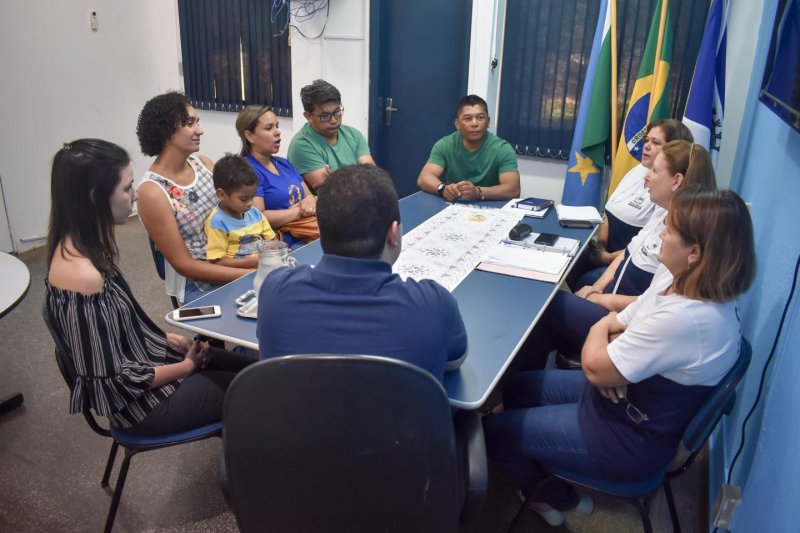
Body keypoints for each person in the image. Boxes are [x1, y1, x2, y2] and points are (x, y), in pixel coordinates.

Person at [484, 187, 756, 525]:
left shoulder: (690, 319)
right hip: (619, 401)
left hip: (627, 437)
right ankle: (536, 450)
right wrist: (609, 348)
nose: (661, 233)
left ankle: (556, 498)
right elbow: (624, 319)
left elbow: (595, 365)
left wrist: (603, 346)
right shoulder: (681, 281)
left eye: (670, 230)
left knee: (494, 434)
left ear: (694, 252)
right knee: (518, 388)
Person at [45, 139, 253, 435]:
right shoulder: (81, 276)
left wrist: (169, 339)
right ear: (95, 196)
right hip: (143, 406)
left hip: (151, 364)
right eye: (127, 188)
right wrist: (186, 367)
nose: (136, 195)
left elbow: (118, 329)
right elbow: (111, 384)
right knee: (257, 386)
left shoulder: (87, 250)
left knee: (253, 371)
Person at [256, 164, 467, 382]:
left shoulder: (274, 290)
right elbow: (454, 362)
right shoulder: (435, 304)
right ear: (393, 233)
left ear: (321, 228)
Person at [136, 91, 246, 304]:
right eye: (189, 123)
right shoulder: (152, 192)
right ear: (166, 130)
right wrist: (250, 274)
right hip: (199, 282)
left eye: (198, 122)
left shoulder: (204, 164)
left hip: (232, 259)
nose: (200, 130)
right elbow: (184, 265)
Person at [591, 119, 693, 268]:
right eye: (646, 140)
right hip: (604, 253)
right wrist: (600, 248)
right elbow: (609, 209)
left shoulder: (666, 194)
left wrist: (606, 259)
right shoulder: (638, 170)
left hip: (627, 262)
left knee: (583, 277)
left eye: (656, 143)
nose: (646, 146)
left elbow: (643, 245)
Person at [235, 105, 319, 247]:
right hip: (284, 244)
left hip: (310, 233)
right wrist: (300, 211)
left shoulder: (284, 163)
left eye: (277, 126)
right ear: (250, 136)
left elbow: (309, 196)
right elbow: (259, 216)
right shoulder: (247, 170)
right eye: (269, 128)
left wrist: (310, 200)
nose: (277, 132)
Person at [417, 94, 520, 202]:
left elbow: (513, 189)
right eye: (467, 118)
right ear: (457, 124)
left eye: (480, 118)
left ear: (488, 122)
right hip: (454, 205)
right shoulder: (444, 145)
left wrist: (478, 192)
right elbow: (423, 178)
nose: (474, 123)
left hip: (491, 205)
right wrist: (443, 189)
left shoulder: (503, 149)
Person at [286, 79, 375, 191]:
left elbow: (372, 177)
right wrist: (359, 177)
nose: (333, 120)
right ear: (308, 116)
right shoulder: (302, 145)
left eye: (337, 112)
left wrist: (338, 179)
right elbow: (332, 193)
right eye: (325, 116)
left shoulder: (353, 134)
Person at [204, 154, 276, 265]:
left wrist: (278, 251)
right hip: (240, 273)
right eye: (244, 199)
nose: (250, 203)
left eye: (252, 197)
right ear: (222, 195)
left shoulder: (255, 213)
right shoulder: (217, 222)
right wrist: (249, 262)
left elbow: (272, 240)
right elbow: (217, 262)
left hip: (265, 265)